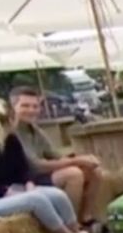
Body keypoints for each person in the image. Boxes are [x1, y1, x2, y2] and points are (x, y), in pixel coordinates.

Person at [0, 98, 90, 233]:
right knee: (36, 200)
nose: (11, 124)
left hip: (17, 189)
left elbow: (23, 169)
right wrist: (7, 192)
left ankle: (76, 230)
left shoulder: (11, 140)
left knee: (57, 195)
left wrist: (29, 184)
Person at [10, 86, 104, 225]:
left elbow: (55, 155)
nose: (31, 110)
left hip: (38, 176)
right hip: (22, 182)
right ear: (12, 108)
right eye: (25, 106)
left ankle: (86, 218)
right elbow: (36, 166)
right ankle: (69, 224)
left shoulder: (34, 130)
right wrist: (77, 161)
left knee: (94, 171)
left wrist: (83, 159)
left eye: (35, 106)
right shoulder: (12, 134)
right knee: (73, 175)